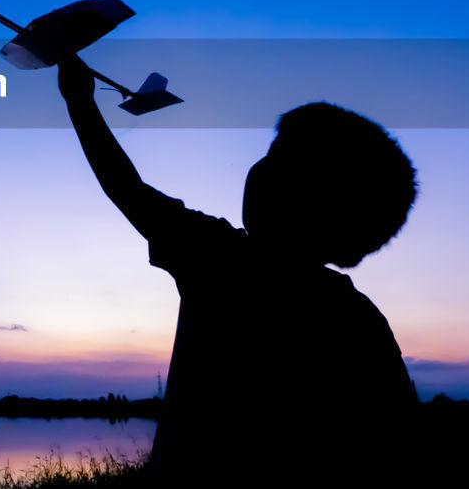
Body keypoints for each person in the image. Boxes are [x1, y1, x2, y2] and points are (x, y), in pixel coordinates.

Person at [56, 54, 420, 483]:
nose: (259, 170)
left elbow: (127, 188)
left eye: (280, 162)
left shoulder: (221, 260)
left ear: (313, 201)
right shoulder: (360, 318)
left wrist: (79, 102)